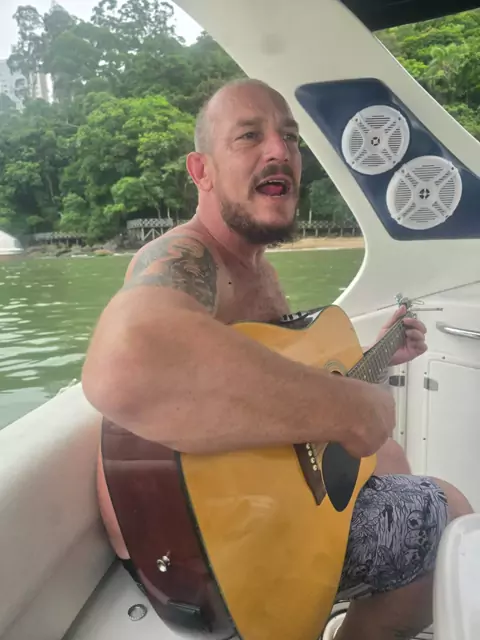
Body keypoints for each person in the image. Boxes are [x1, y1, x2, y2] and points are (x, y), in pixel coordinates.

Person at [82, 78, 472, 640]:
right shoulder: (184, 254)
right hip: (204, 551)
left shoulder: (257, 268)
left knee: (388, 456)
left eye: (290, 137)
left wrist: (378, 357)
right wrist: (350, 406)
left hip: (256, 507)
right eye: (249, 136)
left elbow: (274, 383)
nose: (279, 151)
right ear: (201, 170)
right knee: (450, 511)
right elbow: (127, 362)